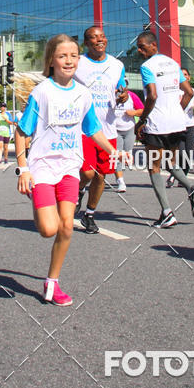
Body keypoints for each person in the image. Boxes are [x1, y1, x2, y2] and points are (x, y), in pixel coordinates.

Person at [15, 34, 123, 305]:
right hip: (41, 168)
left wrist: (114, 150)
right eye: (62, 56)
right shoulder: (42, 93)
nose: (69, 61)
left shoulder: (83, 93)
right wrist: (24, 170)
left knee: (66, 227)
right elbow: (21, 132)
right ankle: (37, 201)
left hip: (68, 169)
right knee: (48, 230)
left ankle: (52, 282)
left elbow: (93, 129)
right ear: (51, 60)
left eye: (74, 56)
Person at [135, 31, 194, 228]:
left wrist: (141, 120)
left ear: (153, 45)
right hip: (177, 123)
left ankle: (167, 212)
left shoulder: (147, 66)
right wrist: (177, 110)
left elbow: (152, 96)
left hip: (157, 125)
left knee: (154, 167)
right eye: (139, 47)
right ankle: (192, 189)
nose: (139, 50)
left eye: (142, 46)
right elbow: (189, 92)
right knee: (169, 162)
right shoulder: (173, 64)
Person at [74, 26, 128, 233]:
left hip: (109, 128)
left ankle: (89, 215)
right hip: (84, 128)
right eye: (94, 38)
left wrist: (123, 94)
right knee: (87, 172)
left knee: (101, 176)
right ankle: (79, 190)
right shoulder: (78, 62)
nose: (100, 40)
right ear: (86, 43)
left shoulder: (117, 64)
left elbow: (121, 88)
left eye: (102, 36)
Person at [167, 68, 194, 188]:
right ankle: (175, 175)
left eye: (186, 75)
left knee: (188, 153)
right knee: (181, 154)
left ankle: (182, 178)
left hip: (190, 125)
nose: (184, 77)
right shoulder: (173, 92)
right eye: (182, 75)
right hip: (177, 126)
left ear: (189, 77)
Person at [114, 87, 144, 193]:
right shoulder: (110, 95)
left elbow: (143, 110)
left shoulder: (132, 96)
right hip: (115, 130)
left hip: (129, 130)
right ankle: (120, 181)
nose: (121, 88)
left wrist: (134, 113)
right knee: (117, 155)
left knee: (126, 155)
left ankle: (120, 175)